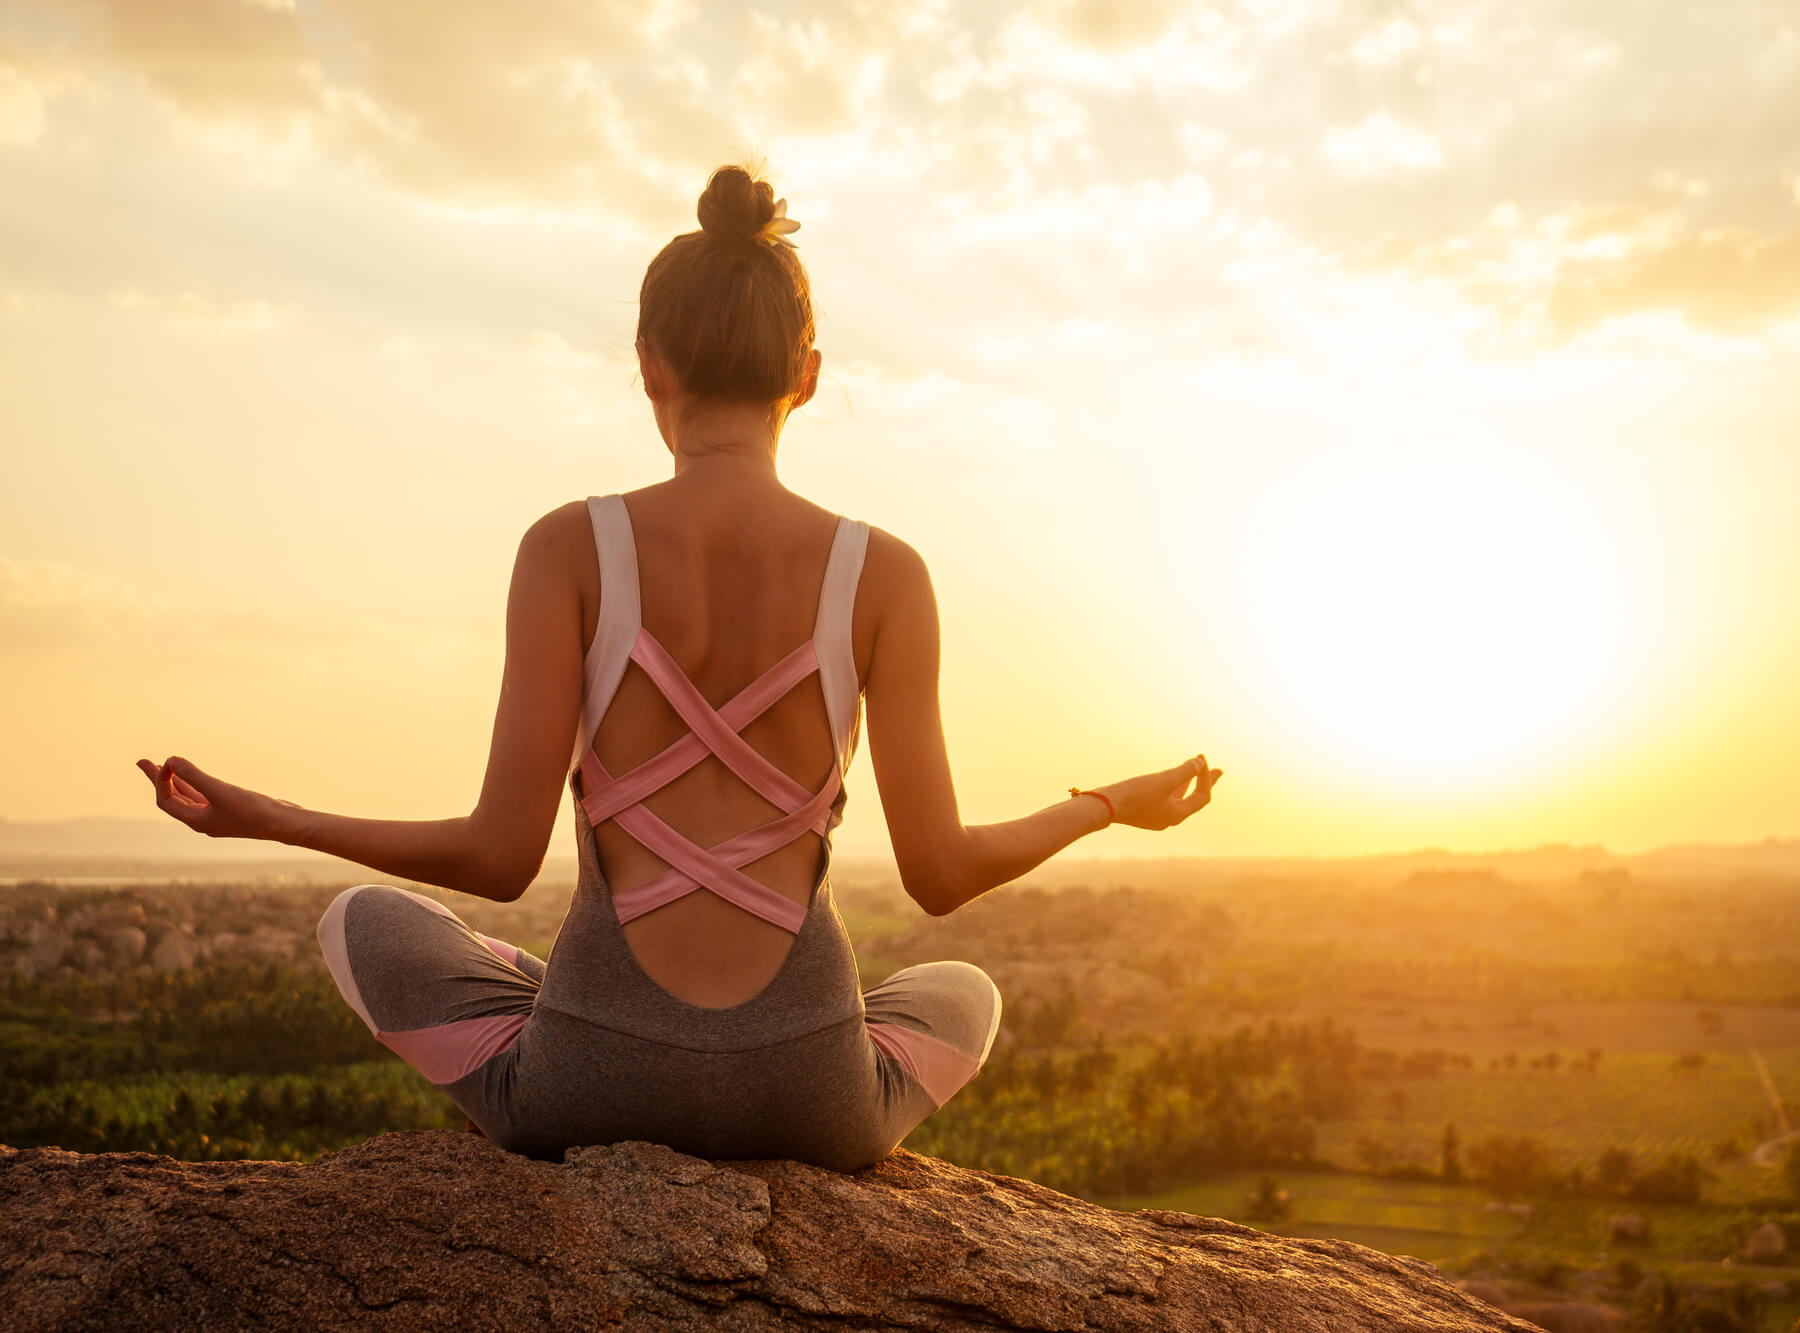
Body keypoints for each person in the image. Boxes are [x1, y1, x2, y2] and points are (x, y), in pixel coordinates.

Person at [136, 163, 1223, 1168]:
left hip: (586, 1082)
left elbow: (499, 854)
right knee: (962, 992)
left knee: (356, 921)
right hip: (811, 1097)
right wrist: (1107, 806)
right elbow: (940, 874)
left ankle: (556, 1004)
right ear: (806, 374)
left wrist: (274, 816)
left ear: (648, 364)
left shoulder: (567, 548)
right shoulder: (883, 574)